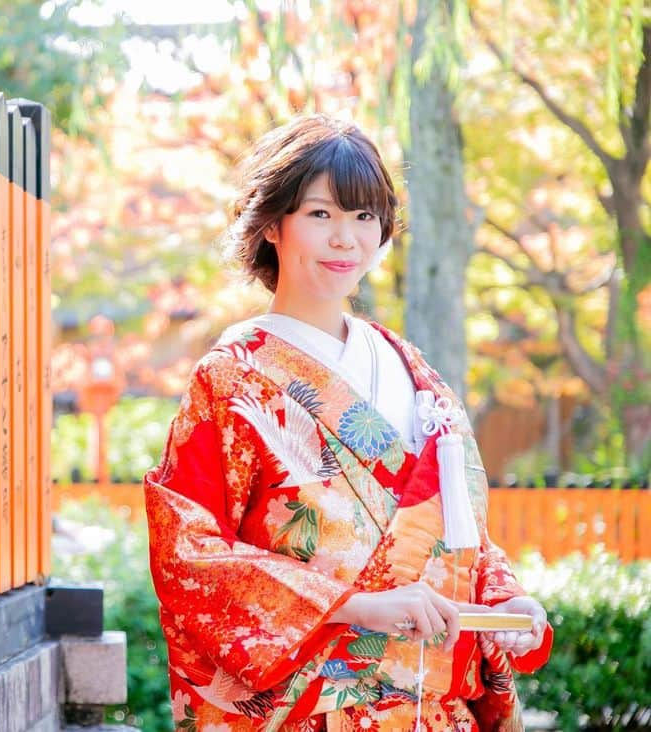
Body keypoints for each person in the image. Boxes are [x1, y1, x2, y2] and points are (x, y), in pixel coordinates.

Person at [143, 115, 551, 731]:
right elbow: (189, 555)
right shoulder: (232, 378)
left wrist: (502, 599)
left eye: (365, 218)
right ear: (272, 225)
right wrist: (357, 605)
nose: (346, 239)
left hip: (436, 710)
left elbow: (457, 533)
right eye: (321, 215)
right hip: (313, 708)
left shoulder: (415, 372)